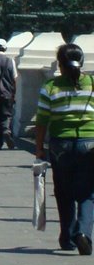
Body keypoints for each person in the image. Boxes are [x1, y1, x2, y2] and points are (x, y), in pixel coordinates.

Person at [35, 43, 94, 254]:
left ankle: (67, 237)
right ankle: (84, 232)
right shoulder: (92, 83)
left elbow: (41, 120)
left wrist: (39, 148)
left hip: (60, 145)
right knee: (88, 193)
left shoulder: (51, 86)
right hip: (89, 144)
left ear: (60, 64)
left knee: (63, 192)